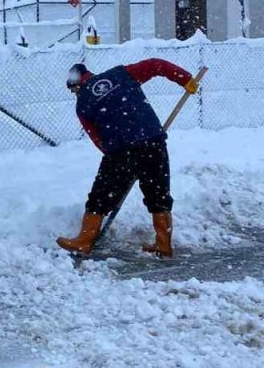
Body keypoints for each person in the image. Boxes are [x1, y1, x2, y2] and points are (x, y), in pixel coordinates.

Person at [57, 59, 201, 257]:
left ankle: (85, 240)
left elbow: (97, 138)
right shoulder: (120, 74)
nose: (74, 94)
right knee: (158, 193)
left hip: (120, 149)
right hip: (153, 141)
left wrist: (115, 162)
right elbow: (155, 64)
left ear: (77, 84)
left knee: (100, 196)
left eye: (73, 90)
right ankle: (164, 244)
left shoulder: (82, 104)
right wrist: (184, 79)